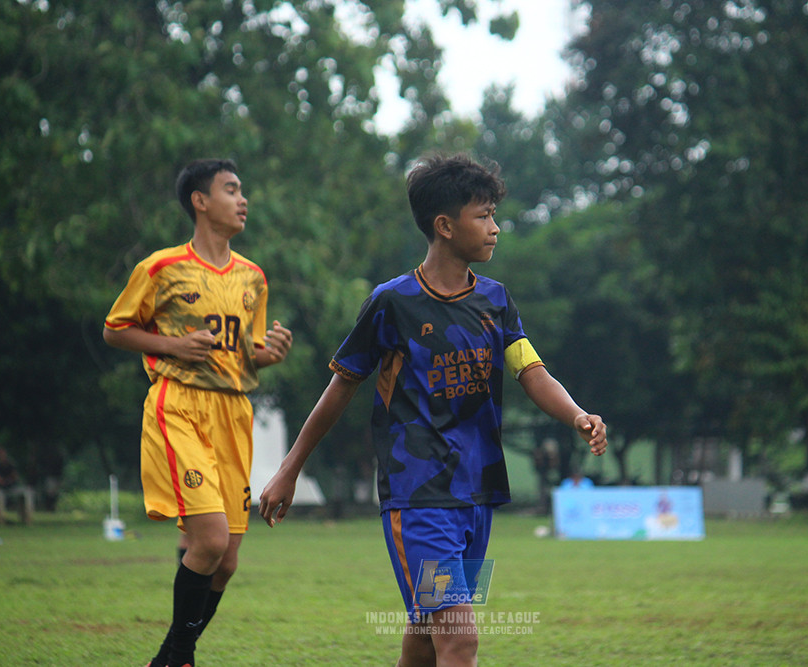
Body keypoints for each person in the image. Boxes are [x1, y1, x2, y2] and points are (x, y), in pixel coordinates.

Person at [259, 153, 607, 666]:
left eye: (494, 215)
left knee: (425, 636)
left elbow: (531, 371)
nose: (495, 228)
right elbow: (341, 387)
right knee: (459, 637)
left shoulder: (495, 301)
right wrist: (289, 469)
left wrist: (577, 414)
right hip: (419, 493)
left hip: (478, 490)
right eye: (483, 216)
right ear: (444, 226)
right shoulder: (391, 303)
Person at [103, 158, 292, 667]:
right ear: (200, 201)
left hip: (233, 415)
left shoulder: (254, 278)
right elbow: (115, 329)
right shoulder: (161, 268)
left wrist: (266, 354)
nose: (242, 199)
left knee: (225, 561)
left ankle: (168, 658)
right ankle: (177, 657)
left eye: (242, 190)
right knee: (209, 540)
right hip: (180, 407)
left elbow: (246, 351)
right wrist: (172, 344)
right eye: (231, 189)